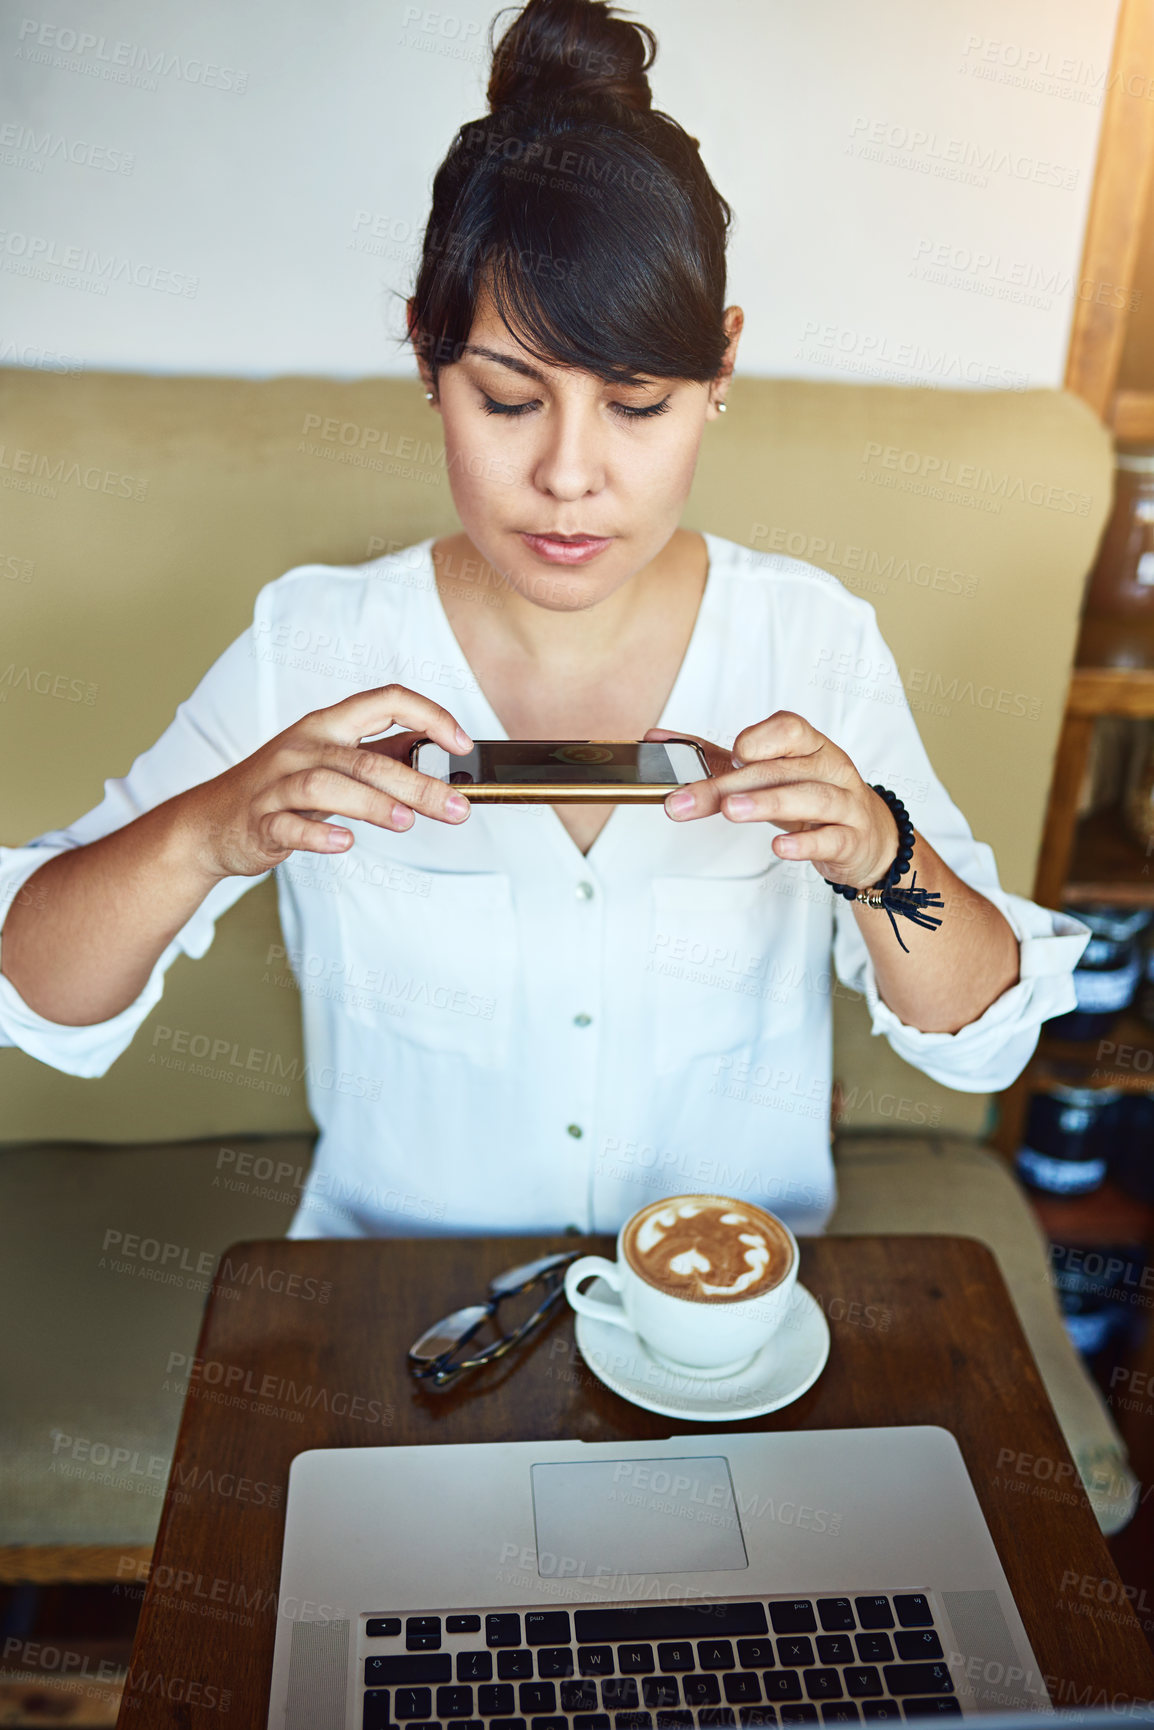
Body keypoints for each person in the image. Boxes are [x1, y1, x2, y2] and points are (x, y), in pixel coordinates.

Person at [0, 0, 1088, 1243]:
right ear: (425, 354)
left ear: (719, 371)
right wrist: (207, 829)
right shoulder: (313, 645)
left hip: (723, 1322)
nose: (570, 475)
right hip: (392, 1317)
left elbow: (979, 1042)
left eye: (636, 405)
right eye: (508, 398)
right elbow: (35, 990)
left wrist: (880, 856)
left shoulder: (810, 642)